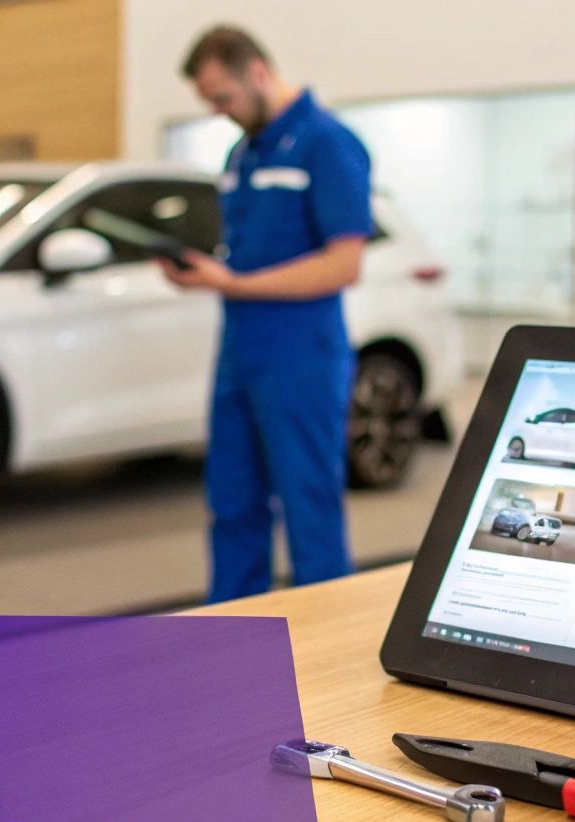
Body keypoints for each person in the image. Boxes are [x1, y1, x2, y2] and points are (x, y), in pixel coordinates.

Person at [165, 25, 374, 602]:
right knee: (232, 504)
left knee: (310, 512)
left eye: (223, 97)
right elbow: (248, 251)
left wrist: (235, 283)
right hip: (241, 353)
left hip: (301, 357)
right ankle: (235, 633)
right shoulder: (243, 152)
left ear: (257, 72)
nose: (218, 111)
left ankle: (324, 642)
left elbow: (344, 264)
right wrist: (208, 272)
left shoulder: (327, 143)